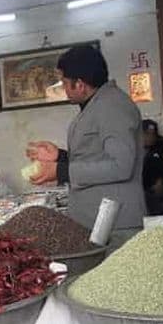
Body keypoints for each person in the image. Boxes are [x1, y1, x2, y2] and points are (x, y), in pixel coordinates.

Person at [26, 45, 145, 249]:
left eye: (64, 83)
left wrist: (61, 171)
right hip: (99, 221)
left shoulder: (112, 107)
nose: (63, 89)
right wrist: (60, 156)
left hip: (115, 224)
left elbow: (120, 165)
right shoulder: (97, 104)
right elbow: (96, 154)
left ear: (80, 84)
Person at [142, 119, 163, 216]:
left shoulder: (162, 146)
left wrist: (161, 180)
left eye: (153, 134)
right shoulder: (135, 148)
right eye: (147, 134)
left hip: (160, 191)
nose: (150, 137)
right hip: (141, 190)